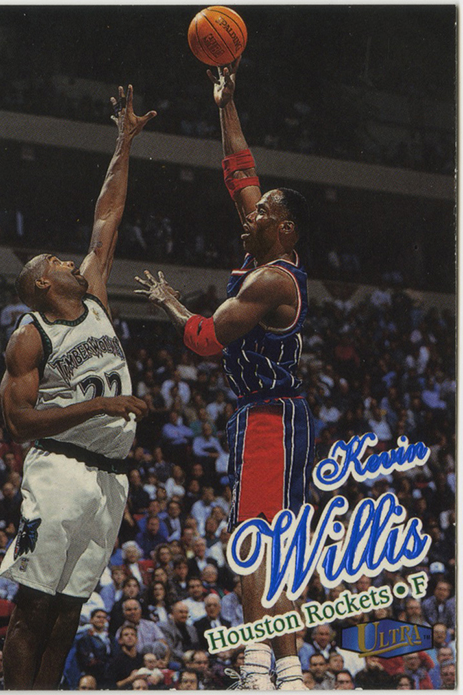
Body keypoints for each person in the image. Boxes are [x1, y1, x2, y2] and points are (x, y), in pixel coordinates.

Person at [135, 57, 314, 690]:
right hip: (267, 414)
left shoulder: (272, 280)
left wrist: (170, 304)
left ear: (283, 229)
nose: (249, 213)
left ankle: (259, 665)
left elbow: (207, 340)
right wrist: (225, 102)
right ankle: (286, 668)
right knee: (270, 541)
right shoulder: (263, 252)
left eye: (261, 213)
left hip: (269, 416)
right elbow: (240, 168)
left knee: (254, 540)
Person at [0, 83, 155, 690]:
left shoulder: (94, 296)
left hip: (110, 476)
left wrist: (123, 142)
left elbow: (107, 214)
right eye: (55, 263)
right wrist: (101, 404)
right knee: (34, 606)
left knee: (68, 612)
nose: (67, 261)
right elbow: (18, 424)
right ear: (41, 284)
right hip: (59, 469)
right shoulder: (29, 337)